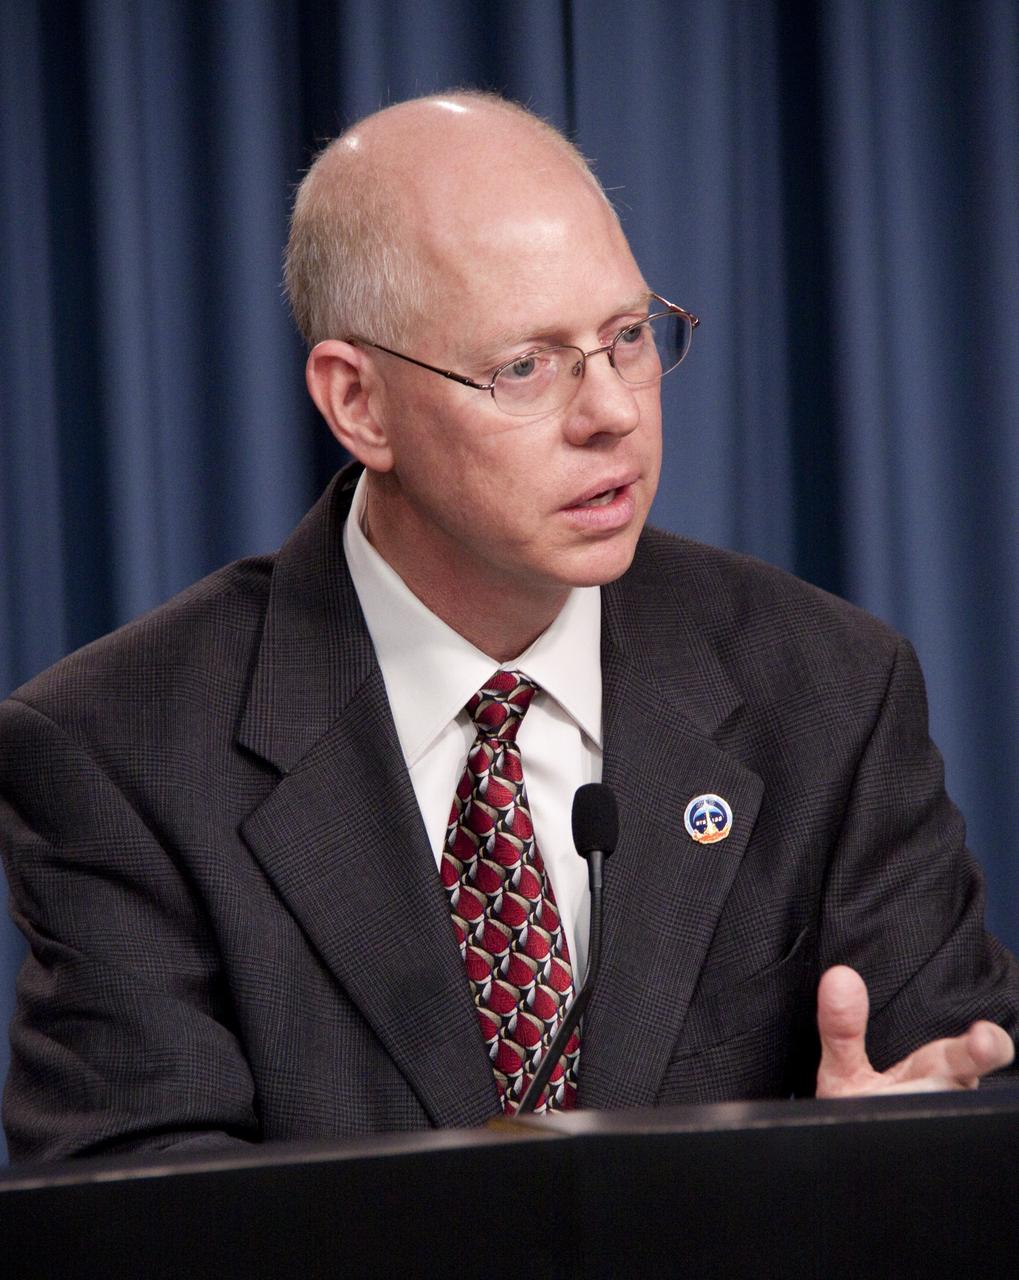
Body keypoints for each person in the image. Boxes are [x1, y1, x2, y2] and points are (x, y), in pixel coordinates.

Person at [1, 91, 1016, 1163]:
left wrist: (890, 1171)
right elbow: (143, 1223)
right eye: (525, 365)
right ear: (359, 404)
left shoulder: (827, 691)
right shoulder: (119, 751)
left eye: (627, 336)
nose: (613, 411)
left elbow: (955, 1118)